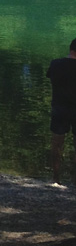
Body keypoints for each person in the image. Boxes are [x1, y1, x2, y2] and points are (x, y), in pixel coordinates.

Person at [47, 38, 76, 182]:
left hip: (59, 108)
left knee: (57, 143)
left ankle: (56, 177)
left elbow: (50, 77)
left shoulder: (56, 64)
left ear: (70, 49)